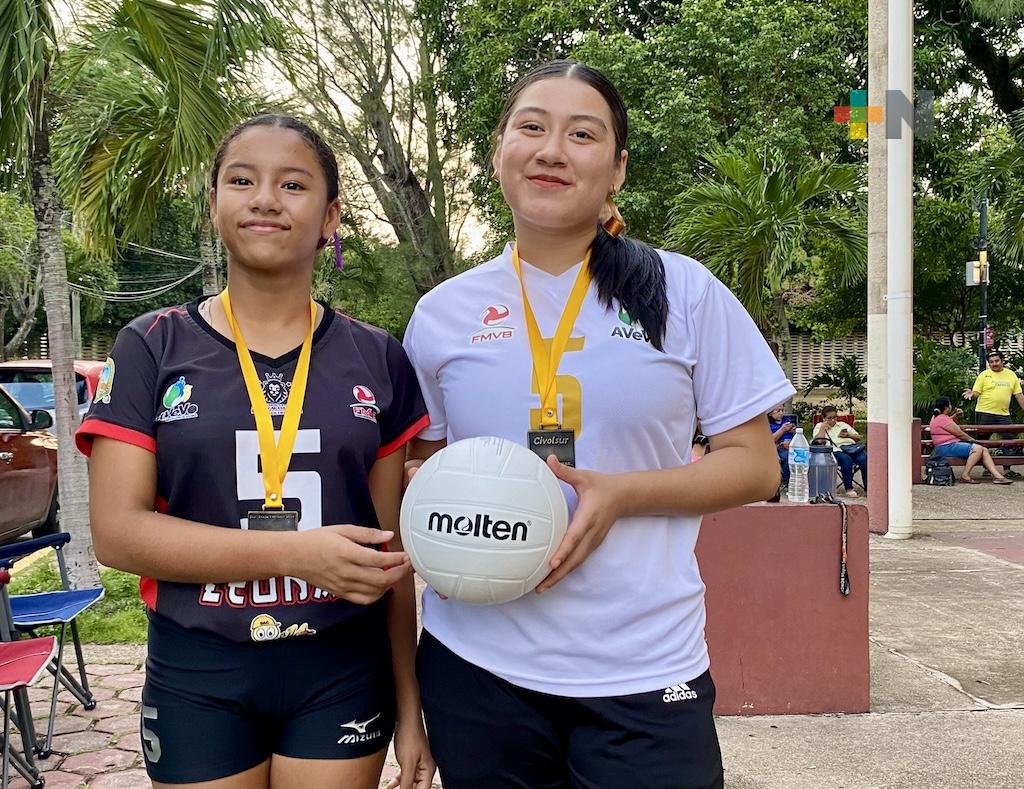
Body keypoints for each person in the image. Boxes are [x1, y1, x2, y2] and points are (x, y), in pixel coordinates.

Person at [402, 60, 795, 789]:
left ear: (615, 171)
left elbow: (754, 463)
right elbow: (421, 468)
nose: (552, 150)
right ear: (497, 154)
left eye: (582, 135)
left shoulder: (683, 292)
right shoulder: (443, 313)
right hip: (479, 668)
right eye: (531, 127)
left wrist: (622, 493)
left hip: (645, 668)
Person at [75, 115, 434, 789]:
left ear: (330, 216)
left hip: (340, 668)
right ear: (214, 203)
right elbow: (116, 533)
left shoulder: (378, 356)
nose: (266, 198)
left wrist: (410, 704)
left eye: (292, 183)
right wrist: (295, 553)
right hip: (199, 664)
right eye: (242, 180)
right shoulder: (152, 344)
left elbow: (391, 557)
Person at [962, 350, 1024, 478]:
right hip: (984, 413)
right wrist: (971, 394)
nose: (994, 364)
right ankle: (987, 468)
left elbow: (1019, 396)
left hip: (1003, 414)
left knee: (1009, 441)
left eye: (996, 361)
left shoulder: (1011, 375)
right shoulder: (983, 375)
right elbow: (976, 392)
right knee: (983, 442)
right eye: (991, 362)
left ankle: (1007, 469)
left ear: (1002, 361)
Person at [930, 396, 1013, 484]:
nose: (951, 406)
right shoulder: (942, 419)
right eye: (950, 404)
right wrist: (972, 440)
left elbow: (949, 422)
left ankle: (998, 476)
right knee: (977, 448)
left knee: (983, 449)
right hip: (947, 447)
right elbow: (960, 434)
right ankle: (965, 475)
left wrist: (956, 415)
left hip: (947, 446)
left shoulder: (938, 417)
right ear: (946, 407)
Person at [813, 404, 867, 497]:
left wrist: (848, 435)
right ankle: (849, 488)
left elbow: (858, 437)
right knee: (846, 459)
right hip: (835, 450)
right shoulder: (819, 426)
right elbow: (818, 442)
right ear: (824, 418)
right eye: (829, 418)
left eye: (834, 417)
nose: (833, 420)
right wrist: (823, 428)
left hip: (851, 448)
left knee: (864, 459)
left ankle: (868, 487)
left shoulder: (842, 425)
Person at [768, 404, 796, 488]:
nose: (781, 413)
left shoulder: (786, 420)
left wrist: (794, 431)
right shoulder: (768, 425)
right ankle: (788, 482)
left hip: (792, 444)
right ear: (770, 413)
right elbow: (770, 440)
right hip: (778, 447)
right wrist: (783, 429)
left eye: (782, 410)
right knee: (788, 456)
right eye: (778, 411)